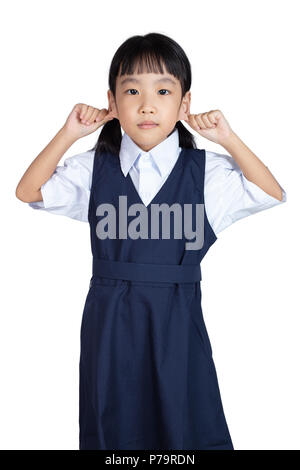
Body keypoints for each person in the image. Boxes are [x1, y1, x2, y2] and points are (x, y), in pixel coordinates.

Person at [16, 32, 286, 450]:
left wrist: (228, 139)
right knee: (115, 425)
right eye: (131, 90)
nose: (146, 104)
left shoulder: (204, 173)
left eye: (163, 90)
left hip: (177, 320)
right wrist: (69, 133)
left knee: (187, 424)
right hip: (110, 322)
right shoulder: (95, 170)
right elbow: (28, 191)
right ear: (112, 102)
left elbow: (271, 192)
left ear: (184, 104)